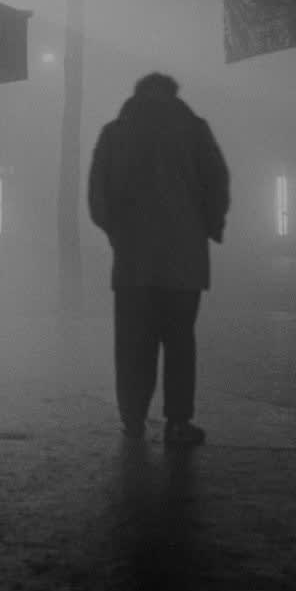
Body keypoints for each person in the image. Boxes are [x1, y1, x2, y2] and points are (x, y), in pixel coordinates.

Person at [88, 73, 230, 446]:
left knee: (133, 345)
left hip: (133, 264)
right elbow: (217, 184)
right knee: (180, 344)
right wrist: (208, 227)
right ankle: (178, 422)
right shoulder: (195, 131)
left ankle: (133, 419)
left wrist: (117, 234)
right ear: (173, 94)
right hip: (184, 262)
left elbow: (97, 198)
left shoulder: (114, 134)